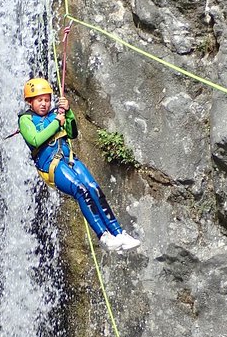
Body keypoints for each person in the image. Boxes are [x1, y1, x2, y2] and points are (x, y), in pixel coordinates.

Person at [18, 77, 141, 252]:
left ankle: (119, 232)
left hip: (69, 160)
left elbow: (72, 133)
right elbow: (35, 140)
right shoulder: (25, 120)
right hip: (52, 166)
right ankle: (104, 236)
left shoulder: (56, 114)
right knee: (80, 190)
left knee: (93, 188)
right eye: (39, 100)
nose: (44, 104)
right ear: (30, 102)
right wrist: (56, 122)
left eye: (47, 99)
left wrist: (67, 113)